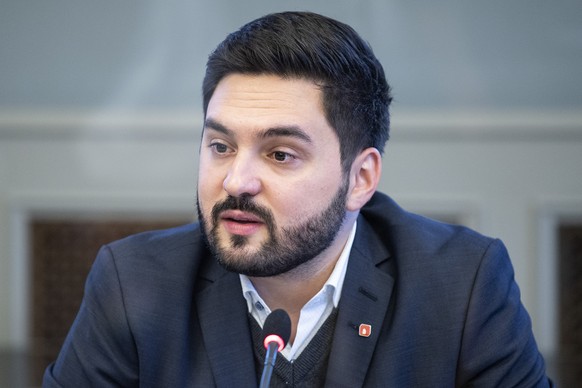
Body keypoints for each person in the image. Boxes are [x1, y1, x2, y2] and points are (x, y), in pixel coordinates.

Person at [43, 11, 553, 387]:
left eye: (280, 154)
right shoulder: (133, 283)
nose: (237, 181)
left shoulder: (462, 284)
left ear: (360, 178)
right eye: (220, 146)